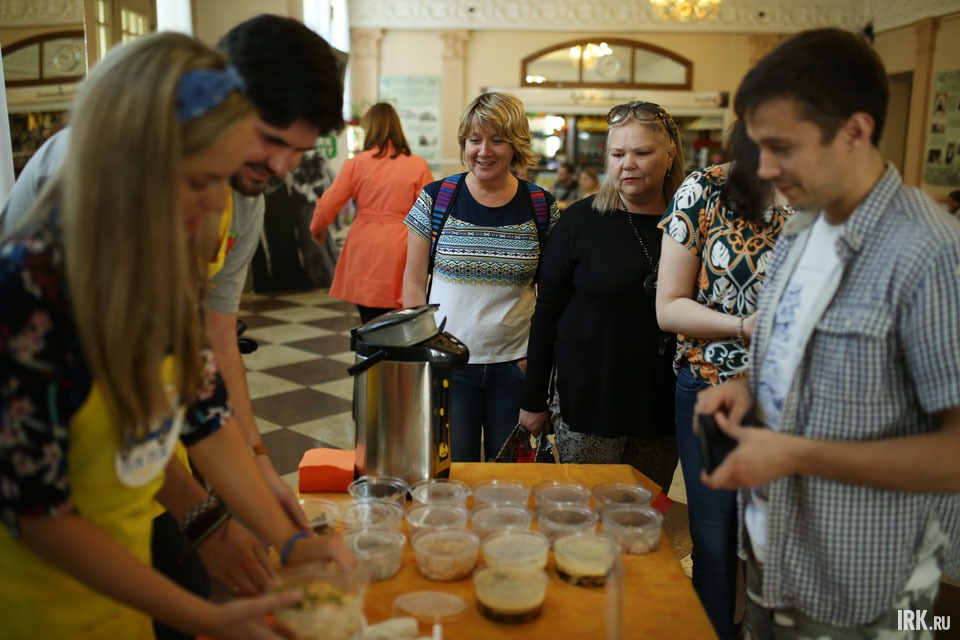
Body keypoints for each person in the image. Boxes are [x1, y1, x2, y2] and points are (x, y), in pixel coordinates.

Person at [0, 15, 347, 638]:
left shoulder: (154, 271)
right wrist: (205, 615)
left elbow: (203, 412)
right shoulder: (28, 288)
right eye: (201, 181)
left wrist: (292, 540)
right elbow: (39, 515)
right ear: (130, 158)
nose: (219, 205)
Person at [695, 28, 960, 639]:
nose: (764, 169)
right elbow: (795, 360)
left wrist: (794, 454)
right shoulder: (801, 229)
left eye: (781, 147)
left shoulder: (930, 253)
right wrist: (745, 387)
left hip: (865, 589)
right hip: (770, 558)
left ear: (855, 131)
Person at [655, 120, 793, 640]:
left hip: (800, 399)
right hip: (713, 384)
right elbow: (669, 307)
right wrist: (741, 326)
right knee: (715, 540)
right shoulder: (706, 189)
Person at [519, 101, 683, 490]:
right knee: (583, 513)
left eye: (642, 152)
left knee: (646, 514)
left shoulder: (689, 223)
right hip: (589, 402)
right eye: (618, 154)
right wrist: (534, 399)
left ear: (669, 155)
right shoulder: (579, 222)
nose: (628, 164)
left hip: (661, 404)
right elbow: (546, 314)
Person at [402, 92, 559, 462]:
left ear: (516, 145)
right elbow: (412, 282)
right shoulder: (436, 199)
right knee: (456, 471)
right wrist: (426, 350)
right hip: (450, 367)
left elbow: (552, 295)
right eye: (475, 140)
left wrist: (538, 365)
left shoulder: (541, 206)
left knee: (510, 478)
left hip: (516, 367)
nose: (484, 151)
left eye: (497, 140)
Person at [310, 102, 434, 322]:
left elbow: (328, 203)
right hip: (403, 247)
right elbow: (429, 213)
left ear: (369, 129)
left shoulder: (356, 164)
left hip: (365, 247)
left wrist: (317, 228)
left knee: (369, 322)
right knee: (403, 321)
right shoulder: (418, 165)